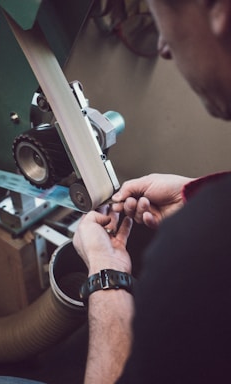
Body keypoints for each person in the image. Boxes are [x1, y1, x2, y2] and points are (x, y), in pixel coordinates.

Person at [73, 0, 231, 383]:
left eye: (168, 16)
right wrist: (194, 196)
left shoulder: (206, 248)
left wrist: (106, 275)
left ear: (218, 12)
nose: (163, 46)